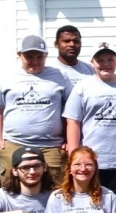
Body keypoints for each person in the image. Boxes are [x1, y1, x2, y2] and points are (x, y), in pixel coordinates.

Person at [64, 42, 116, 202]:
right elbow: (73, 122)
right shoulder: (82, 87)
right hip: (90, 162)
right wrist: (74, 154)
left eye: (110, 59)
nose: (105, 64)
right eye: (100, 60)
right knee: (90, 203)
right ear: (92, 63)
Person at [0, 34, 71, 184]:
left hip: (51, 146)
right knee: (9, 188)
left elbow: (70, 111)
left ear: (46, 55)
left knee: (56, 190)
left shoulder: (60, 76)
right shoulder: (7, 77)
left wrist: (68, 140)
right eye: (29, 57)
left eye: (40, 57)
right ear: (19, 55)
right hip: (14, 142)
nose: (35, 61)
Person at [52, 25, 94, 89]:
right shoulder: (47, 70)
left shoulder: (91, 70)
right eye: (66, 41)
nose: (72, 44)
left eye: (76, 41)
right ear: (56, 44)